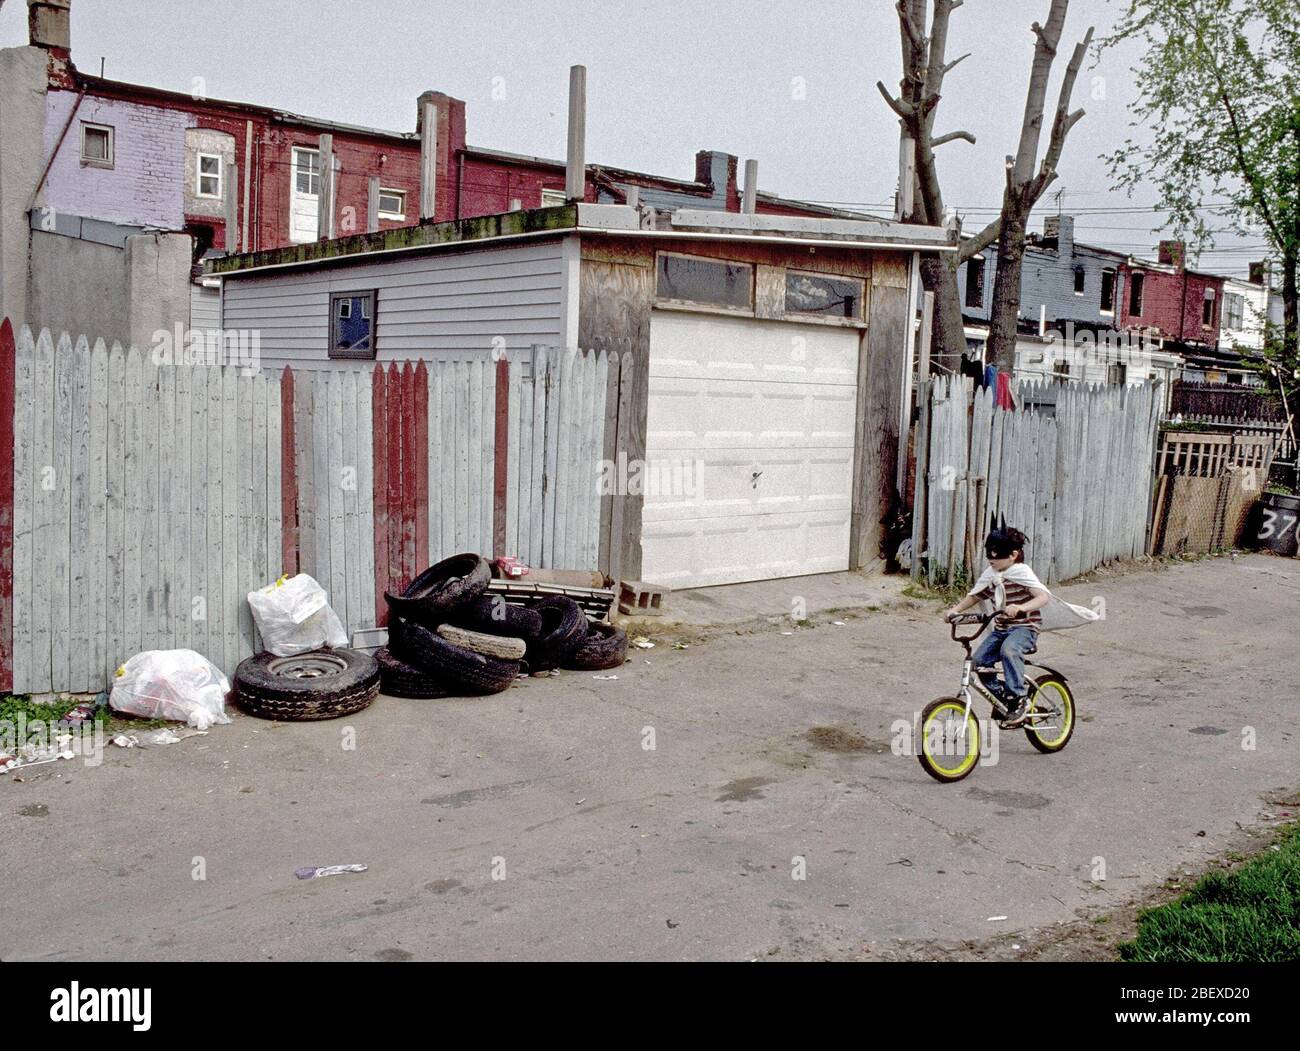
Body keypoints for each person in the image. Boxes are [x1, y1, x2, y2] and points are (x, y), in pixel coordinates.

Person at [944, 527, 1050, 729]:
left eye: (997, 554)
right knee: (979, 661)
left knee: (1009, 650)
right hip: (1001, 629)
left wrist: (1021, 607)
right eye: (989, 553)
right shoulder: (991, 575)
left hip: (1025, 627)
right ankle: (1004, 698)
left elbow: (1043, 597)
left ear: (1013, 555)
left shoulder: (1022, 572)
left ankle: (1018, 698)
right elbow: (976, 595)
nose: (991, 559)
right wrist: (955, 610)